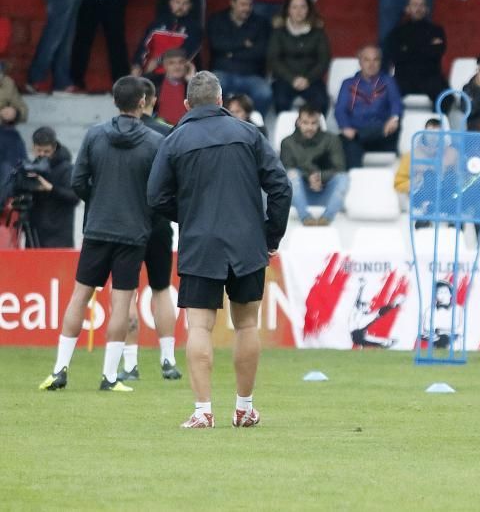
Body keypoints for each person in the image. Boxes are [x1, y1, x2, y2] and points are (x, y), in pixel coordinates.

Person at [147, 71, 291, 429]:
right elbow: (281, 188)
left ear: (186, 105)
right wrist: (270, 236)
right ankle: (244, 408)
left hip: (200, 242)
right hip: (247, 242)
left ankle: (202, 411)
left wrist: (190, 216)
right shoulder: (249, 134)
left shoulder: (174, 139)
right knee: (246, 325)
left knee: (199, 326)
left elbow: (155, 197)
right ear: (220, 99)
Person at [38, 76, 163, 394]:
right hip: (133, 232)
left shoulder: (94, 136)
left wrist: (99, 201)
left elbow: (78, 181)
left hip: (97, 227)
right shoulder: (153, 142)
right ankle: (109, 376)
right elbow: (159, 191)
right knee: (121, 303)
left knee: (80, 296)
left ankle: (59, 370)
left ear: (113, 101)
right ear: (142, 103)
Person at [118, 77, 182, 382]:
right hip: (158, 221)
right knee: (161, 289)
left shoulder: (111, 133)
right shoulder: (166, 134)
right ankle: (168, 360)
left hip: (125, 223)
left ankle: (130, 365)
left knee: (127, 293)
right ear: (151, 100)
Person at [207, 0, 272, 115]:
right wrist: (243, 43)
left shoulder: (261, 23)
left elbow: (261, 52)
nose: (247, 8)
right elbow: (217, 45)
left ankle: (254, 127)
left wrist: (230, 53)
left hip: (252, 75)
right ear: (232, 2)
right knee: (210, 91)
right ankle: (215, 123)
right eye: (243, 4)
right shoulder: (217, 19)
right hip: (223, 72)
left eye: (250, 4)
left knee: (264, 93)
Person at [334, 45, 403, 169]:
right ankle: (356, 182)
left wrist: (394, 118)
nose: (371, 64)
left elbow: (396, 102)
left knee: (391, 128)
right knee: (351, 145)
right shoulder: (348, 83)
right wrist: (345, 127)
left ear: (380, 62)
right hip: (355, 132)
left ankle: (357, 136)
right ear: (360, 62)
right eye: (367, 60)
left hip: (382, 134)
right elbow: (340, 110)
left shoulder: (388, 81)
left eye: (375, 60)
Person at [280, 105, 349, 226]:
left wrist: (320, 177)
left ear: (319, 123)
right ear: (298, 122)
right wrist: (310, 176)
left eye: (313, 123)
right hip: (299, 194)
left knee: (343, 177)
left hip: (326, 190)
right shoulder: (287, 142)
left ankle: (326, 218)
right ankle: (306, 218)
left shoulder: (332, 139)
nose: (309, 127)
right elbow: (286, 169)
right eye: (305, 123)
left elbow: (340, 167)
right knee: (291, 174)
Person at [267, 0, 331, 114]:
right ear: (288, 10)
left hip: (312, 80)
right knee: (281, 101)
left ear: (308, 9)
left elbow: (324, 60)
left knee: (322, 102)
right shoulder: (279, 32)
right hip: (285, 79)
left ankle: (315, 131)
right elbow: (274, 59)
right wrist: (292, 79)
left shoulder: (318, 32)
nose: (299, 11)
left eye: (303, 7)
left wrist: (308, 78)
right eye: (294, 7)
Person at [384, 0, 447, 102]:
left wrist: (408, 48)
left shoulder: (437, 30)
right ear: (407, 8)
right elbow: (396, 57)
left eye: (422, 5)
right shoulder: (397, 32)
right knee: (386, 95)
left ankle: (438, 119)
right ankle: (394, 119)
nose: (419, 8)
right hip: (404, 78)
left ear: (427, 9)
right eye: (415, 5)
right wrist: (426, 47)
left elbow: (437, 53)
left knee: (447, 98)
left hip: (430, 78)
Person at [22, 127, 78, 248]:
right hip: (35, 234)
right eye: (38, 150)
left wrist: (51, 188)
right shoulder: (31, 168)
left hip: (59, 236)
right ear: (33, 148)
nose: (42, 154)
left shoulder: (67, 168)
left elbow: (74, 197)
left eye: (46, 151)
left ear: (54, 148)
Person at [132, 0, 203, 75]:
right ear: (171, 3)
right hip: (151, 73)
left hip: (178, 75)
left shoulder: (195, 28)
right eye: (178, 2)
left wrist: (159, 61)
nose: (181, 6)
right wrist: (137, 65)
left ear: (190, 6)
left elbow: (185, 52)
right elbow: (143, 47)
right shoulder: (157, 23)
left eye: (185, 3)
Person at [148, 48, 194, 126]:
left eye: (181, 62)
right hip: (159, 129)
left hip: (186, 129)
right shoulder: (153, 83)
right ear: (164, 66)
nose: (177, 66)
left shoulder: (190, 84)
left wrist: (191, 81)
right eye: (171, 63)